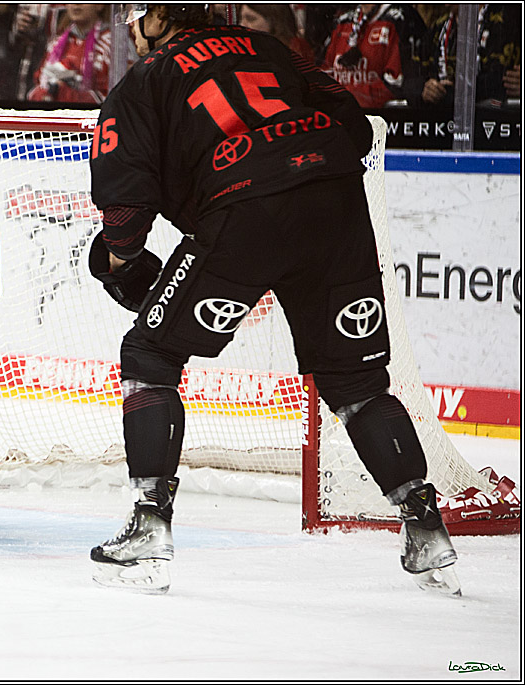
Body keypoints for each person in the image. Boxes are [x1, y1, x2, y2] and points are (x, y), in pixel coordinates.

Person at [87, 5, 460, 595]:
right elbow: (353, 125)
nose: (131, 29)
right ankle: (426, 527)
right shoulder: (271, 49)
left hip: (246, 206)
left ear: (160, 18)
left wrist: (120, 261)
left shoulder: (144, 80)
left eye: (136, 15)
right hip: (336, 204)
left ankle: (150, 522)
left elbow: (126, 212)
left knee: (150, 356)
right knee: (357, 382)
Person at [412, 4, 521, 108]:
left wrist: (449, 92)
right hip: (445, 119)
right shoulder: (439, 27)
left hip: (493, 117)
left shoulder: (505, 20)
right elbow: (413, 77)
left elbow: (497, 81)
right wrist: (426, 90)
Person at [322, 3, 427, 108]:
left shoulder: (399, 20)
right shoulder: (343, 22)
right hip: (343, 115)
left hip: (382, 117)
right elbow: (324, 74)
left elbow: (395, 85)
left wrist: (348, 99)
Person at [27, 3, 112, 103]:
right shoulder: (56, 42)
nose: (76, 4)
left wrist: (70, 93)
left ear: (100, 5)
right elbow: (38, 83)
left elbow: (115, 95)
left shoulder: (113, 43)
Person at [238, 3, 315, 63]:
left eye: (251, 19)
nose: (242, 24)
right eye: (241, 18)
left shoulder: (295, 48)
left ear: (274, 21)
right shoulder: (241, 49)